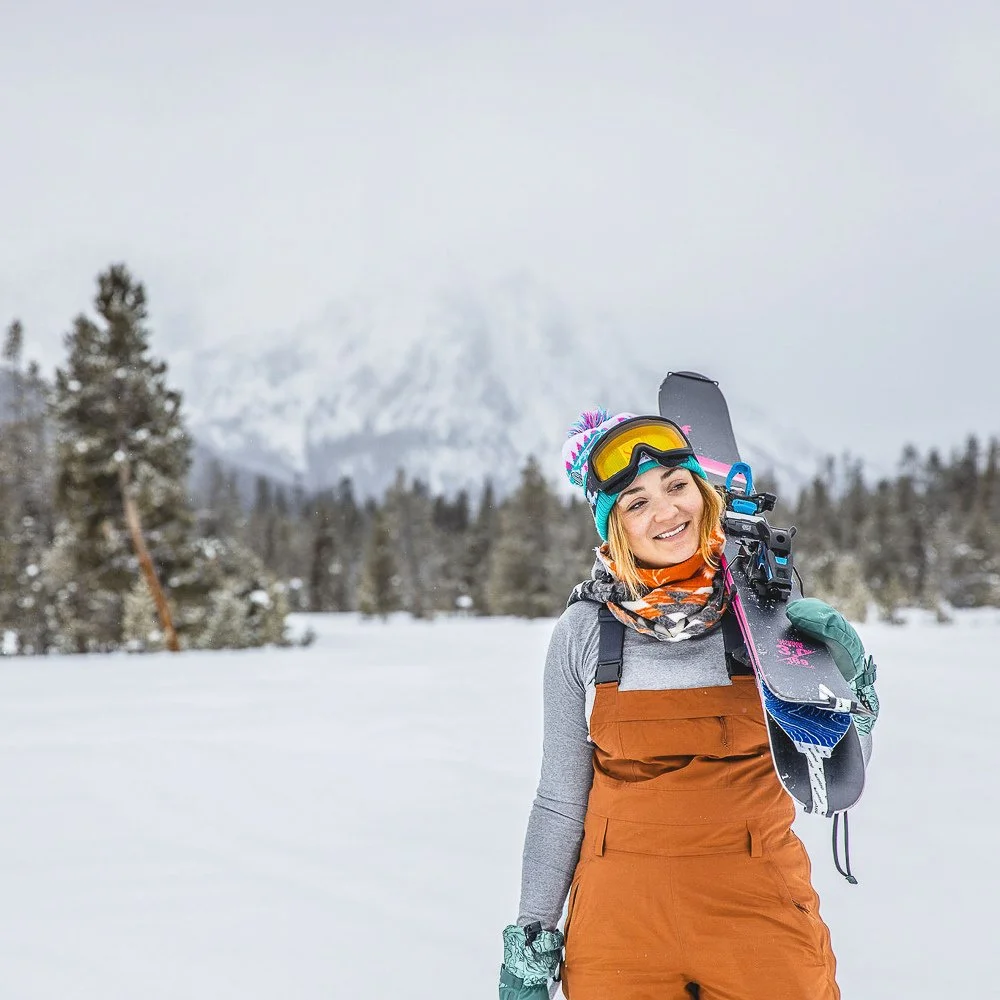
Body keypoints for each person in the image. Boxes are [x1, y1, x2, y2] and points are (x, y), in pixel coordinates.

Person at [498, 409, 880, 1000]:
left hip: (759, 913)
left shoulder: (767, 617)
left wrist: (856, 701)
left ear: (704, 494)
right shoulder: (583, 631)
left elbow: (830, 780)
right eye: (637, 502)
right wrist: (532, 936)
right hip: (618, 928)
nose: (666, 511)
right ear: (614, 527)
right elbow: (559, 799)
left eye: (677, 486)